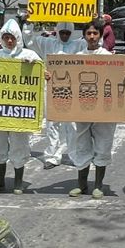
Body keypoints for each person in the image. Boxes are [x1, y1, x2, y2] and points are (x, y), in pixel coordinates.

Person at [69, 21, 125, 198]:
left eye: (95, 33)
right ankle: (81, 185)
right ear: (84, 35)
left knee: (103, 145)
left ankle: (98, 185)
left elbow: (119, 79)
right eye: (88, 33)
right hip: (82, 108)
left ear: (100, 35)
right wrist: (50, 76)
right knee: (82, 145)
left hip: (104, 110)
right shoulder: (77, 57)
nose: (92, 37)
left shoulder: (109, 57)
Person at [0, 19, 41, 193]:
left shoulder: (29, 55)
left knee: (19, 144)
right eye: (6, 37)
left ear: (18, 38)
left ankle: (18, 182)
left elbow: (42, 74)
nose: (9, 41)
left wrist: (34, 65)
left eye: (12, 37)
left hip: (20, 110)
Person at [34, 22, 82, 168]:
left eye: (68, 33)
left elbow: (95, 45)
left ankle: (74, 155)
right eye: (62, 33)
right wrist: (28, 23)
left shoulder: (79, 45)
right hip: (51, 88)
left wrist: (94, 21)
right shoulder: (48, 44)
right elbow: (29, 39)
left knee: (72, 124)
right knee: (52, 123)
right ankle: (52, 156)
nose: (65, 36)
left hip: (71, 89)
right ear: (58, 32)